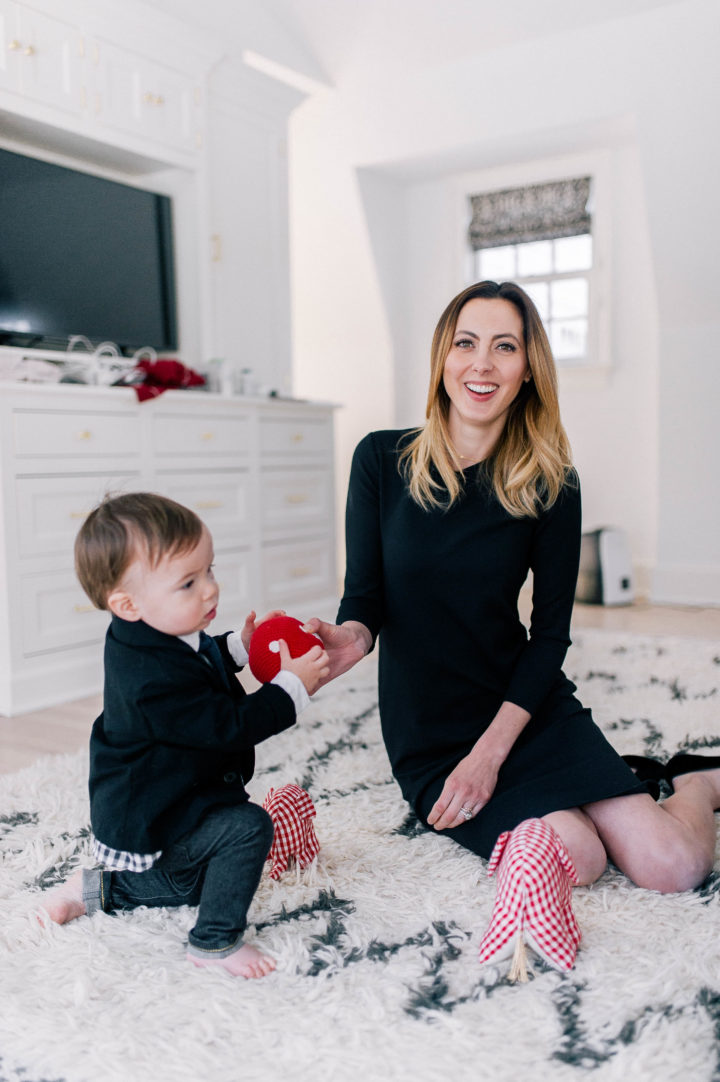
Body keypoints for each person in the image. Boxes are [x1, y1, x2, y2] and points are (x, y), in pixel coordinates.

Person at [306, 280, 720, 970]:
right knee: (577, 855)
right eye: (466, 344)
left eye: (506, 347)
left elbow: (549, 636)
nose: (482, 364)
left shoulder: (551, 482)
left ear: (528, 369)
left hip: (523, 709)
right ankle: (610, 793)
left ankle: (696, 783)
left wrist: (492, 755)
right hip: (433, 733)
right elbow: (367, 597)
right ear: (443, 357)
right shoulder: (381, 460)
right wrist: (352, 638)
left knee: (674, 868)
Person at [40, 492, 329, 979]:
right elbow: (227, 724)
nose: (210, 590)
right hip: (153, 816)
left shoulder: (155, 632)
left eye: (209, 571)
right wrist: (291, 686)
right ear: (128, 604)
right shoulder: (149, 680)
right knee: (248, 828)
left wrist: (240, 646)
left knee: (201, 881)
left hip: (176, 795)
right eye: (189, 583)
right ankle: (214, 942)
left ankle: (96, 891)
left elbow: (196, 657)